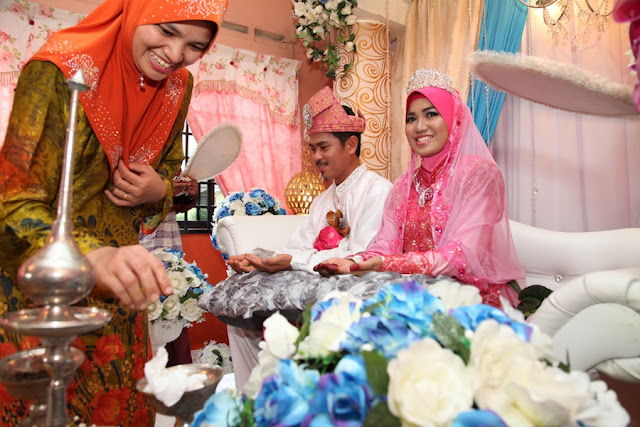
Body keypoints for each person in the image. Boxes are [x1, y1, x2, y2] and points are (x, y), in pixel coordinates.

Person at [0, 0, 227, 424]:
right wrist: (90, 255)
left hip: (117, 297)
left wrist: (160, 189)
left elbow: (169, 173)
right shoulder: (58, 71)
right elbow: (11, 205)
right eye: (167, 31)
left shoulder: (177, 86)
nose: (175, 55)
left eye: (196, 45)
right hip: (41, 297)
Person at [225, 86, 392, 389]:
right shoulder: (323, 200)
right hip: (314, 288)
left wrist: (292, 261)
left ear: (351, 144)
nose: (316, 157)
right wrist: (259, 260)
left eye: (323, 147)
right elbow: (296, 247)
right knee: (239, 300)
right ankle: (253, 397)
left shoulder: (377, 191)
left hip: (354, 294)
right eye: (312, 148)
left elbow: (360, 256)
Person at [316, 68, 525, 307]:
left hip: (470, 301)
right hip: (416, 296)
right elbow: (385, 245)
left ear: (453, 119)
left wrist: (387, 263)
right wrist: (355, 261)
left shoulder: (479, 175)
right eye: (411, 118)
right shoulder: (403, 185)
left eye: (431, 114)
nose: (419, 127)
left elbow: (461, 256)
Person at [140, 173, 199, 366]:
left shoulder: (170, 161)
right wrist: (162, 191)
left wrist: (188, 194)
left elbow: (179, 205)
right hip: (134, 236)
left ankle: (176, 373)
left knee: (172, 304)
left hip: (167, 239)